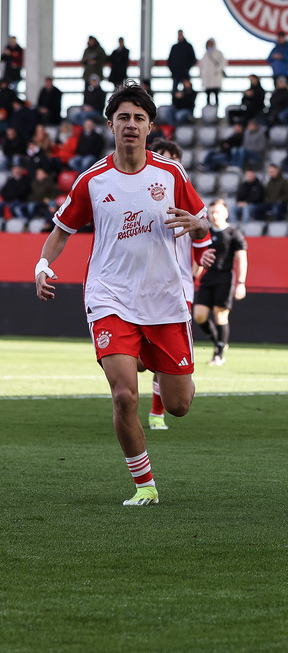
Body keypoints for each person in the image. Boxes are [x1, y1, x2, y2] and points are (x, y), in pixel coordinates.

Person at [33, 80, 209, 506]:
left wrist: (196, 225)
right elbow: (61, 231)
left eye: (139, 118)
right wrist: (42, 264)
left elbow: (203, 223)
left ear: (150, 127)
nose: (131, 125)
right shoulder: (92, 179)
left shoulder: (170, 174)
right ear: (111, 125)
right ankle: (145, 485)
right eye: (124, 118)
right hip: (110, 296)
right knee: (125, 394)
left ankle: (149, 356)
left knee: (180, 405)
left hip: (165, 300)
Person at [145, 138, 212, 430]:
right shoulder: (138, 195)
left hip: (177, 288)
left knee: (163, 362)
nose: (167, 162)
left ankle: (157, 412)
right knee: (136, 360)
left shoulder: (186, 197)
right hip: (139, 289)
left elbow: (202, 240)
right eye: (161, 156)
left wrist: (202, 255)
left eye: (173, 158)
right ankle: (176, 380)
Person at [194, 199, 247, 366]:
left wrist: (241, 282)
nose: (214, 215)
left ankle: (219, 354)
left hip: (225, 277)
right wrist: (192, 276)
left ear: (226, 213)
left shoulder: (233, 232)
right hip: (208, 277)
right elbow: (200, 258)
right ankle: (219, 341)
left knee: (220, 316)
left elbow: (242, 258)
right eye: (211, 212)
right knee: (199, 315)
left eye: (217, 212)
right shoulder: (206, 232)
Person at [199, 38, 227, 107]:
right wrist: (202, 75)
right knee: (207, 97)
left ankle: (216, 111)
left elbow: (223, 63)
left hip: (215, 78)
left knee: (216, 96)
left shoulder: (219, 53)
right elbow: (201, 66)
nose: (209, 45)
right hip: (207, 79)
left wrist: (216, 71)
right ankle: (208, 112)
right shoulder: (205, 55)